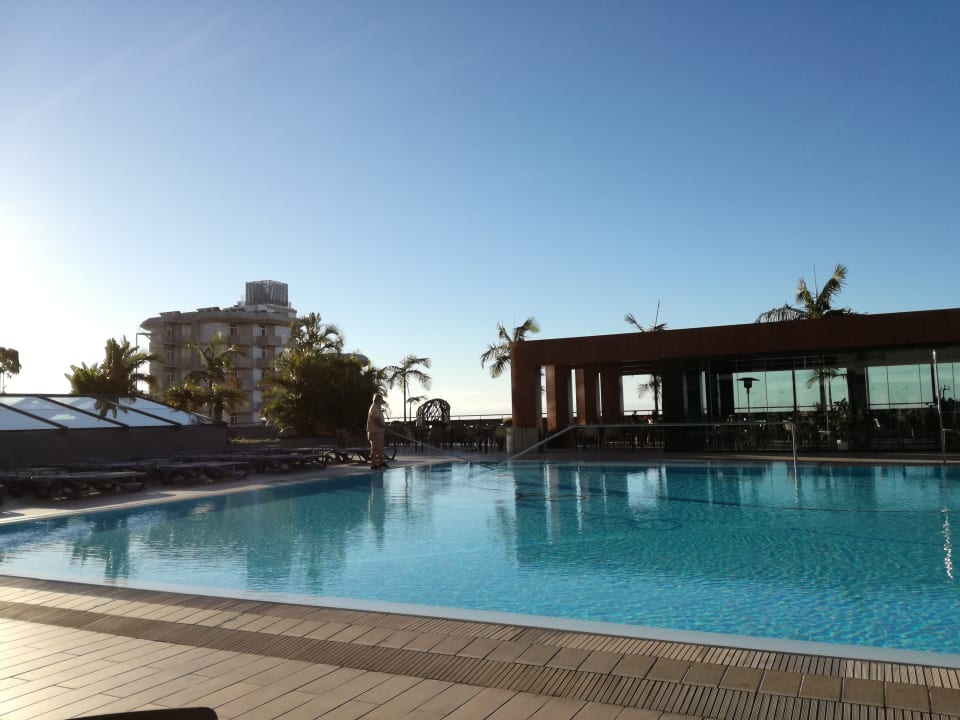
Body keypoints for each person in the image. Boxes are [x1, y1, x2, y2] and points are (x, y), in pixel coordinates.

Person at [366, 392, 387, 469]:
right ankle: (374, 464)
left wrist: (384, 428)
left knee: (380, 448)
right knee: (374, 449)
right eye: (381, 399)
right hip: (375, 432)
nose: (382, 401)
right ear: (378, 399)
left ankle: (381, 462)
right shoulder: (374, 407)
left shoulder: (377, 407)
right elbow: (377, 420)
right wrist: (385, 428)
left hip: (379, 432)